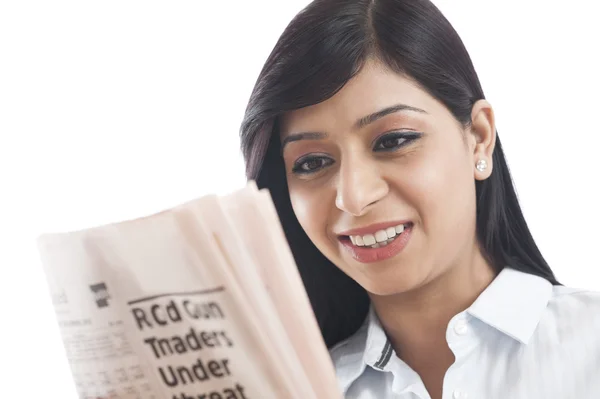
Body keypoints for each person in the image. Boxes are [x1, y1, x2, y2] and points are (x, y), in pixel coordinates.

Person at [239, 0, 600, 398]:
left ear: (479, 137)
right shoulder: (298, 390)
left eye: (393, 140)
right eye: (312, 163)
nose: (355, 198)